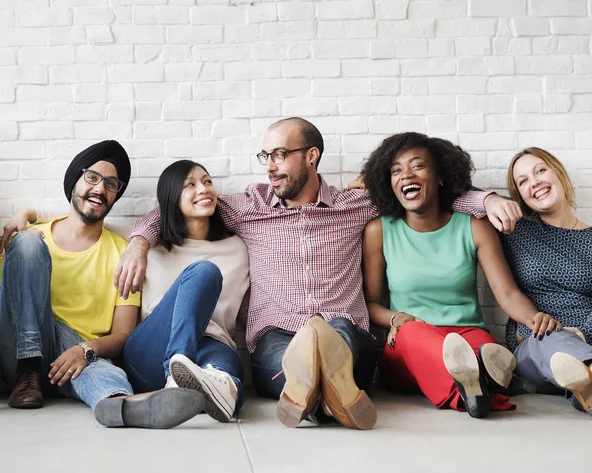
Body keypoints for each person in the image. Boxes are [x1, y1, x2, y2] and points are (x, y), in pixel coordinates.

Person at [114, 118, 517, 428]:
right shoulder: (249, 207)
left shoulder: (355, 205)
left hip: (348, 334)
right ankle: (332, 398)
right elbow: (177, 207)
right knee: (300, 349)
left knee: (338, 329)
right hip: (277, 337)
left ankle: (310, 394)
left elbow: (423, 195)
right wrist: (138, 242)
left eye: (280, 155)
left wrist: (486, 198)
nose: (271, 167)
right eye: (266, 156)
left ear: (311, 156)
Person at [0, 140, 204, 429]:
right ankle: (28, 369)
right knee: (28, 245)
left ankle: (123, 406)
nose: (99, 189)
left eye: (111, 184)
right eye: (92, 178)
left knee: (103, 371)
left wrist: (84, 350)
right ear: (74, 182)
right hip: (16, 353)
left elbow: (123, 334)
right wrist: (28, 216)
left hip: (72, 360)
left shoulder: (123, 255)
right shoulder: (30, 237)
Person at [361, 132, 558, 418]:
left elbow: (507, 293)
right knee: (415, 331)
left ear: (440, 175)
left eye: (418, 165)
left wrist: (534, 319)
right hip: (410, 343)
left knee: (486, 348)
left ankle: (475, 390)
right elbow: (370, 304)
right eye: (396, 170)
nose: (406, 175)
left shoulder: (474, 227)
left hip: (467, 335)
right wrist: (395, 319)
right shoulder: (379, 231)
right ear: (389, 182)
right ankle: (482, 388)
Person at [120, 159, 250, 422]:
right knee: (204, 272)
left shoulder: (240, 248)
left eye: (208, 182)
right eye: (189, 185)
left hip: (212, 344)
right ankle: (174, 377)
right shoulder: (149, 248)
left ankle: (216, 393)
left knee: (225, 374)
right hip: (152, 350)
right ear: (170, 196)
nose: (204, 189)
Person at [503, 147, 592, 413]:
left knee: (567, 346)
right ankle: (585, 374)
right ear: (520, 197)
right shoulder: (515, 231)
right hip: (537, 342)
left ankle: (583, 384)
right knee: (551, 339)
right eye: (523, 181)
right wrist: (490, 200)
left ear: (559, 173)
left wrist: (582, 333)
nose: (535, 182)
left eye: (540, 170)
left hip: (588, 338)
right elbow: (455, 193)